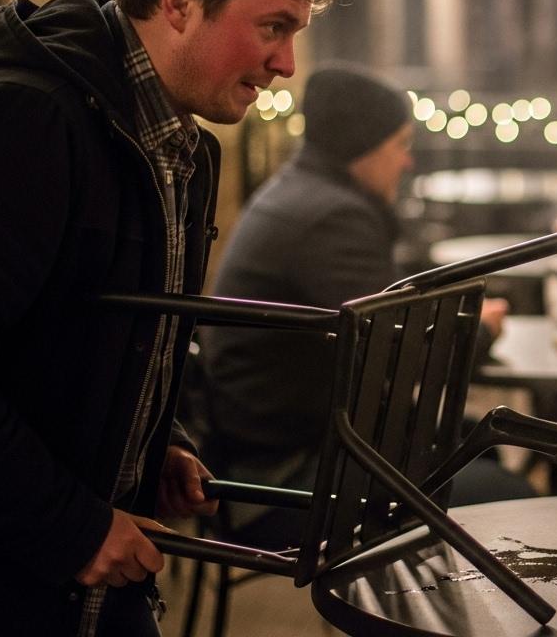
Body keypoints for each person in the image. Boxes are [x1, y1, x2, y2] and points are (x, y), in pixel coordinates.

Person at [0, 0, 347, 635]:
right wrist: (74, 528)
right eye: (273, 27)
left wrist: (158, 438)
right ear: (182, 0)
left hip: (85, 590)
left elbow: (89, 333)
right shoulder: (19, 117)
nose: (287, 63)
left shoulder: (180, 143)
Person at [195, 64, 527, 549]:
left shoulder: (300, 194)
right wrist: (481, 330)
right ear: (361, 148)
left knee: (485, 442)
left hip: (276, 450)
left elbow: (382, 324)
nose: (407, 162)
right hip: (276, 483)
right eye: (400, 145)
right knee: (512, 495)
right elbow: (403, 352)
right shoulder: (331, 219)